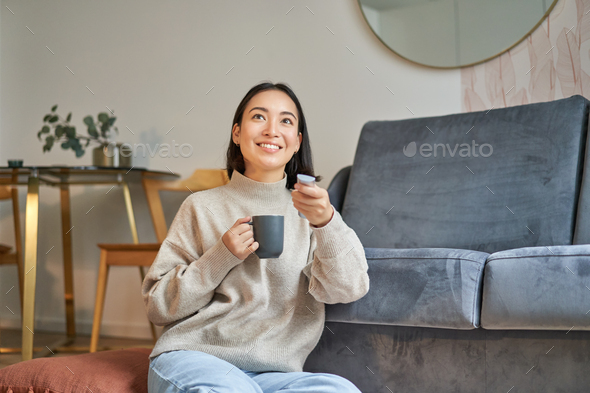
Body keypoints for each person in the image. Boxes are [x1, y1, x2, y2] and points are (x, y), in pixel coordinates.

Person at [142, 82, 370, 393]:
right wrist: (220, 255)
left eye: (286, 121)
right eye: (259, 117)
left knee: (341, 390)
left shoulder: (313, 212)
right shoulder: (201, 206)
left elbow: (349, 288)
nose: (272, 130)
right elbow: (157, 307)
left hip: (276, 375)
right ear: (237, 133)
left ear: (297, 141)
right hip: (197, 358)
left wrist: (327, 223)